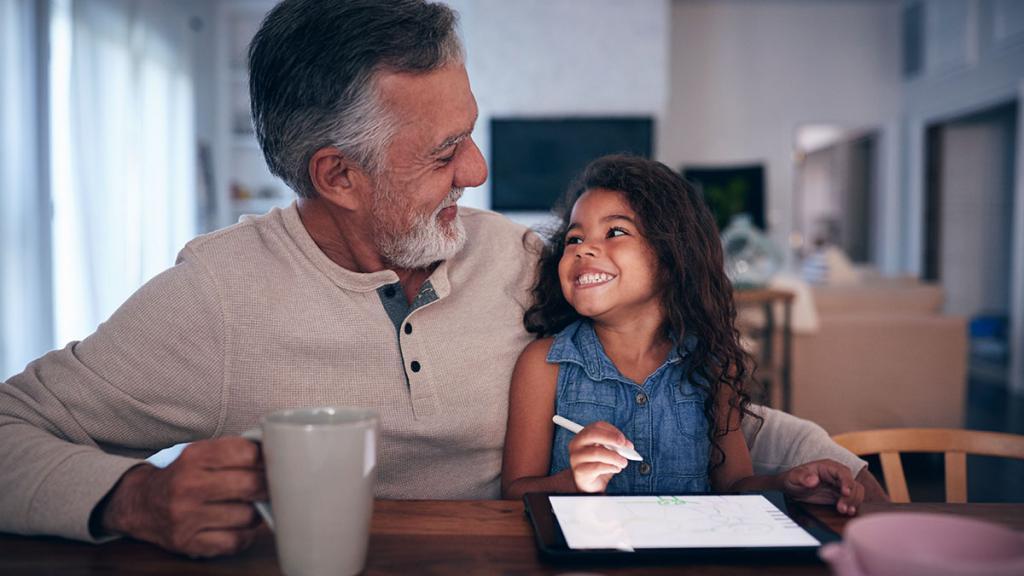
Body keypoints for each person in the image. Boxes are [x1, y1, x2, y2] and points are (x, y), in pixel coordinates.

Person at [0, 0, 881, 560]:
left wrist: (825, 462)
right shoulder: (214, 301)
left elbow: (682, 399)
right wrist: (134, 496)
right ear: (337, 175)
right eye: (441, 152)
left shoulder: (529, 265)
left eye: (472, 129)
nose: (479, 168)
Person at [501, 155, 866, 516]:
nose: (584, 248)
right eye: (574, 238)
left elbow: (733, 487)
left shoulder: (711, 366)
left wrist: (788, 485)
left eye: (615, 232)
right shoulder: (544, 365)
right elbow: (515, 492)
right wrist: (573, 484)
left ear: (671, 255)